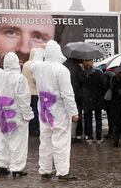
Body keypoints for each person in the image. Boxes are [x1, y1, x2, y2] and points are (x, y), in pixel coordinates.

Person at [33, 40, 79, 180]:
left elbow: (35, 62)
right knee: (61, 140)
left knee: (45, 139)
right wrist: (73, 112)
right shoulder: (61, 70)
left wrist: (40, 50)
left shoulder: (39, 67)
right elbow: (67, 94)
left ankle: (45, 169)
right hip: (58, 110)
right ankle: (62, 171)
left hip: (44, 108)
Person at [0, 46, 34, 177]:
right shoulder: (19, 78)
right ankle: (17, 168)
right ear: (17, 63)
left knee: (2, 139)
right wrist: (28, 114)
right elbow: (24, 99)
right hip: (16, 114)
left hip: (1, 114)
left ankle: (2, 165)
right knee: (18, 141)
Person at [81, 61, 106, 143]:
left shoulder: (82, 74)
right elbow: (103, 85)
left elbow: (80, 86)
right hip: (97, 98)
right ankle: (98, 137)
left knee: (88, 118)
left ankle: (89, 137)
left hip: (87, 99)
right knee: (98, 118)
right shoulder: (98, 73)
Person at [22, 48, 42, 137]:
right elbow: (35, 79)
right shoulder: (35, 65)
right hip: (35, 92)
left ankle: (29, 129)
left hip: (27, 92)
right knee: (36, 111)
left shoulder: (26, 64)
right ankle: (35, 130)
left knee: (29, 110)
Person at [64, 56, 85, 141]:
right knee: (77, 114)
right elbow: (81, 81)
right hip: (76, 93)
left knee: (67, 114)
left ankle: (68, 134)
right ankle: (76, 134)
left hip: (66, 93)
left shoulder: (63, 65)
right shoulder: (77, 67)